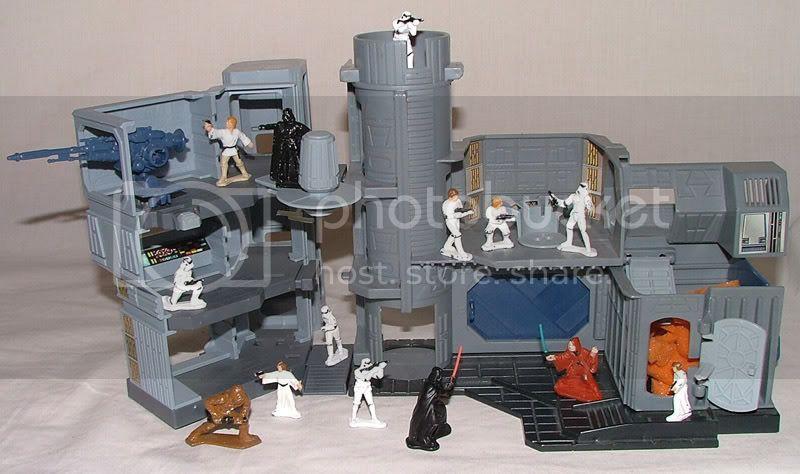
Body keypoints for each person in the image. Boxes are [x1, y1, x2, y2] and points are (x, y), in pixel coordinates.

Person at [258, 108, 310, 188]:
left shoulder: (296, 125)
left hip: (293, 147)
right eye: (284, 115)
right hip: (283, 146)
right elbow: (272, 125)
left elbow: (307, 131)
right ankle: (282, 177)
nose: (285, 117)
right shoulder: (280, 125)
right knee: (282, 162)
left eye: (286, 115)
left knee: (296, 161)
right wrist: (264, 127)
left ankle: (297, 176)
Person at [406, 366, 454, 451]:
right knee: (431, 422)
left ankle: (440, 429)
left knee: (441, 413)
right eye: (438, 376)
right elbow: (440, 392)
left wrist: (449, 387)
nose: (439, 378)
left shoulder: (436, 384)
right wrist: (448, 388)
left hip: (435, 404)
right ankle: (424, 439)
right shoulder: (430, 385)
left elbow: (443, 393)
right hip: (428, 408)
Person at [545, 337, 603, 402]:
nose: (570, 347)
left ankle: (594, 396)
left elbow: (591, 363)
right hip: (572, 373)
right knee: (561, 385)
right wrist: (554, 357)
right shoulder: (569, 353)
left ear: (577, 345)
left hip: (584, 374)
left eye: (572, 345)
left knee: (590, 385)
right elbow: (562, 357)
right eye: (569, 345)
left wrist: (593, 354)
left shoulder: (584, 352)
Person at [204, 116, 254, 187]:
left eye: (229, 122)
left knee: (239, 163)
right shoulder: (223, 132)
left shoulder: (237, 131)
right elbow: (216, 133)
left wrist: (249, 143)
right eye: (227, 122)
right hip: (226, 151)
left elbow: (243, 137)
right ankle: (223, 177)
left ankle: (244, 173)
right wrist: (210, 130)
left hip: (234, 150)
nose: (227, 123)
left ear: (233, 124)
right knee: (223, 164)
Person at [550, 182, 597, 256]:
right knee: (568, 227)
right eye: (581, 186)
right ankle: (568, 242)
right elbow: (564, 204)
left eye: (584, 187)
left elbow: (590, 208)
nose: (581, 188)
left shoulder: (586, 197)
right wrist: (556, 200)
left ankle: (588, 249)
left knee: (583, 231)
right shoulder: (573, 196)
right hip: (573, 215)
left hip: (580, 216)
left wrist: (589, 204)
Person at [350, 358, 388, 428]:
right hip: (359, 389)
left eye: (369, 363)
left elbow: (379, 377)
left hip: (367, 388)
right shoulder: (357, 371)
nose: (368, 365)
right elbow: (366, 378)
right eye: (366, 364)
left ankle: (374, 418)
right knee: (356, 403)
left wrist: (380, 368)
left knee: (371, 403)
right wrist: (373, 370)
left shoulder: (369, 371)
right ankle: (353, 418)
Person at [441, 188, 474, 261]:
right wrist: (467, 213)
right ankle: (461, 252)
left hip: (456, 221)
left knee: (454, 234)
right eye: (455, 197)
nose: (457, 198)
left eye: (457, 196)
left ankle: (447, 246)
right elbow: (457, 215)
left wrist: (464, 210)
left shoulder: (457, 200)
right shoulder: (447, 204)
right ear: (450, 197)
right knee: (457, 235)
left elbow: (460, 209)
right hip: (450, 221)